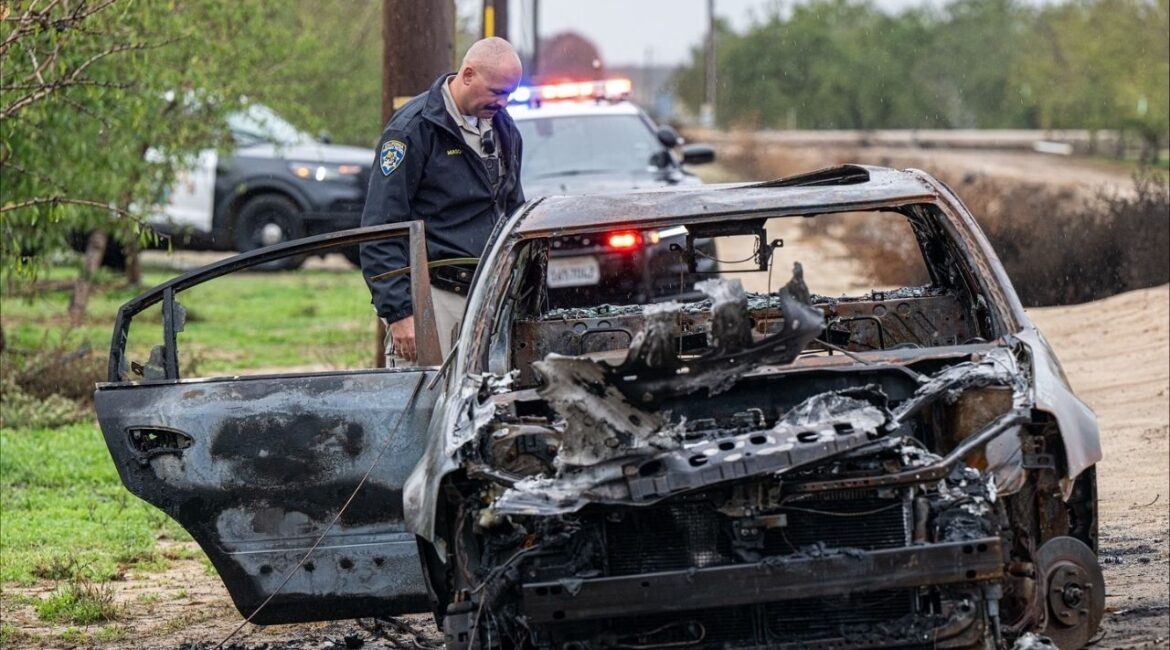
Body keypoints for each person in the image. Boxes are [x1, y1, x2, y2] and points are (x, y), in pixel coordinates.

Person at [360, 37, 525, 363]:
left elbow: (513, 211)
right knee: (427, 406)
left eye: (509, 94)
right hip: (434, 300)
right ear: (467, 75)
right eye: (496, 91)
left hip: (490, 297)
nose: (503, 102)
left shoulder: (504, 129)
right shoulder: (413, 130)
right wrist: (400, 313)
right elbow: (381, 227)